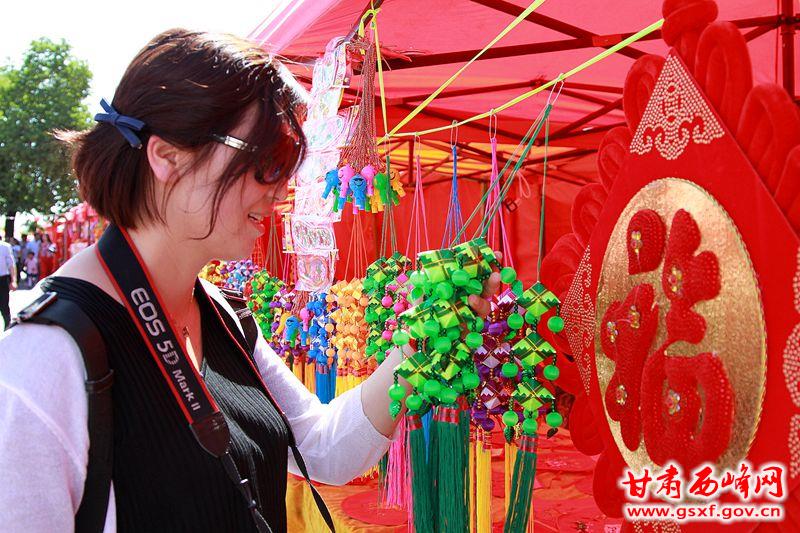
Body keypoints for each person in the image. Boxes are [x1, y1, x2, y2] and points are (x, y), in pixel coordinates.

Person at [0, 29, 500, 532]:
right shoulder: (46, 357)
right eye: (267, 163)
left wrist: (415, 347)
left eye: (289, 165)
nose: (281, 190)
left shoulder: (223, 315)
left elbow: (322, 448)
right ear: (167, 158)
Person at [0, 234, 18, 329]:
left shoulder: (5, 247)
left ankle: (7, 326)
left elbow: (11, 265)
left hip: (2, 279)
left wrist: (13, 280)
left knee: (4, 304)